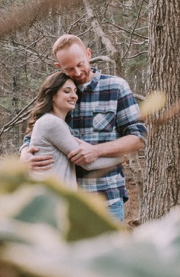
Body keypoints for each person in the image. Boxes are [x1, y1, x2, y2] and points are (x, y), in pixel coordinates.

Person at [21, 34, 147, 223]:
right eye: (70, 69)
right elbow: (33, 135)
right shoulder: (59, 92)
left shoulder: (116, 87)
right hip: (66, 205)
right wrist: (24, 155)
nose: (78, 72)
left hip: (106, 199)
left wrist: (97, 151)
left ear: (88, 54)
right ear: (59, 67)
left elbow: (139, 136)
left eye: (80, 64)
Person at [26, 71, 124, 188]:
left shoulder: (50, 122)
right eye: (67, 91)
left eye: (75, 91)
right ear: (52, 95)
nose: (74, 96)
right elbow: (87, 163)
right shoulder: (52, 123)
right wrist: (122, 157)